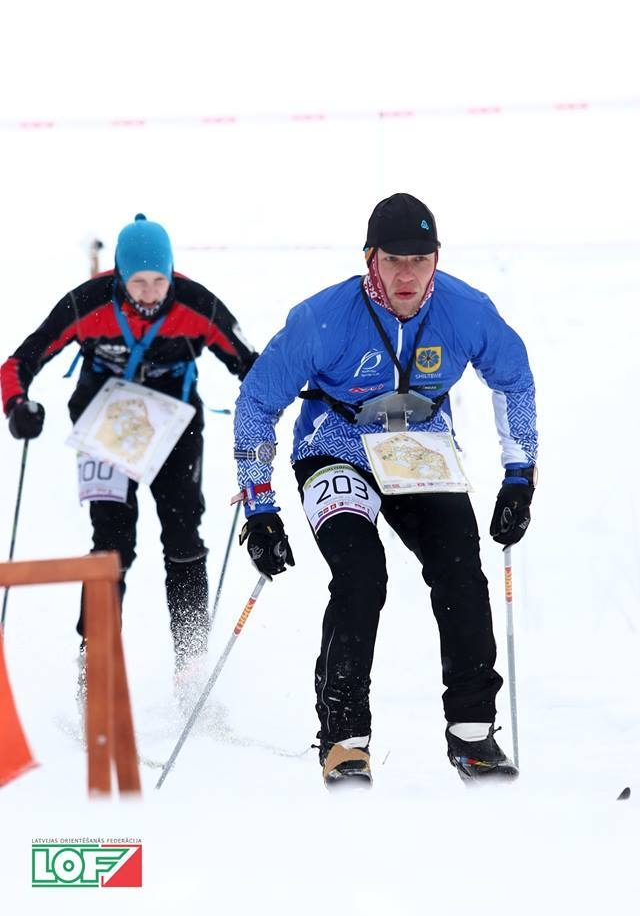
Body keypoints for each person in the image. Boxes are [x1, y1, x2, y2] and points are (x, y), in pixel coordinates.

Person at [234, 193, 538, 786]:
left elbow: (515, 380)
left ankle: (473, 732)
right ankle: (344, 737)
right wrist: (260, 506)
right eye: (394, 259)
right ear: (369, 257)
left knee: (460, 569)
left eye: (420, 260)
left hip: (418, 447)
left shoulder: (466, 310)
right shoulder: (321, 318)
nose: (407, 274)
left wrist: (519, 476)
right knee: (361, 574)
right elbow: (256, 404)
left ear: (437, 259)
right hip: (336, 446)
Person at [1, 213, 258, 691]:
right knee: (112, 547)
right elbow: (20, 361)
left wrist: (262, 402)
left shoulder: (196, 303)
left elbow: (252, 363)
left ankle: (191, 665)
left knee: (183, 540)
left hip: (174, 428)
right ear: (119, 275)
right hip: (107, 427)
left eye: (159, 280)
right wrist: (18, 405)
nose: (149, 293)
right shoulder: (88, 302)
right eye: (137, 281)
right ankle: (94, 663)